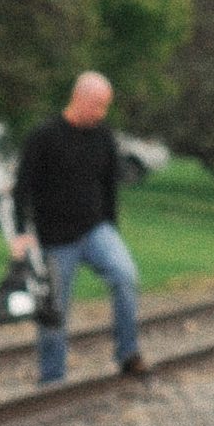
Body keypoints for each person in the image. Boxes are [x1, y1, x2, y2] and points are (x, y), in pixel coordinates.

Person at [10, 71, 146, 387]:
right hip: (56, 239)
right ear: (79, 99)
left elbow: (109, 187)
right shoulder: (44, 137)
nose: (102, 113)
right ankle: (52, 377)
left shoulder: (104, 137)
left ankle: (128, 353)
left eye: (105, 106)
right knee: (54, 309)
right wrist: (21, 233)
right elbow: (22, 188)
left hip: (97, 230)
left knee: (126, 276)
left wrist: (112, 228)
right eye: (98, 105)